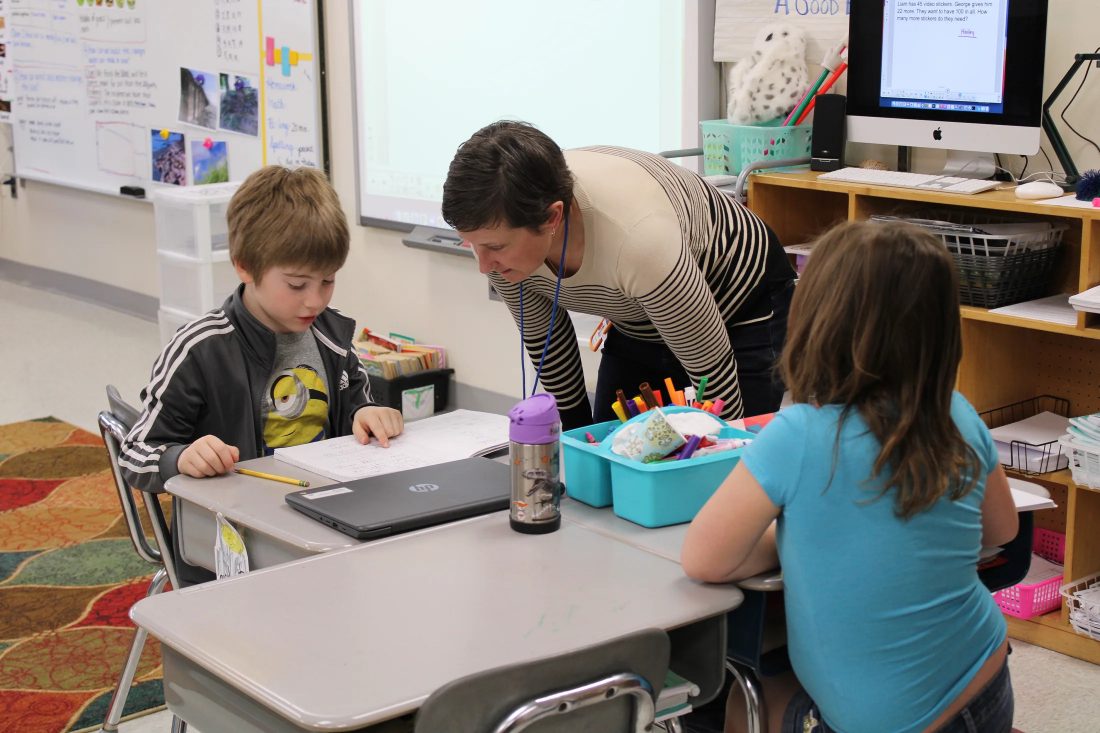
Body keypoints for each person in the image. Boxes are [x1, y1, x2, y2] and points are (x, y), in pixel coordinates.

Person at [681, 220, 1019, 733]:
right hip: (987, 682)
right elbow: (1002, 534)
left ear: (816, 321)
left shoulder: (798, 433)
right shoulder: (957, 413)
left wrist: (791, 535)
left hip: (898, 721)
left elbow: (704, 559)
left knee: (739, 701)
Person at [120, 165, 403, 585]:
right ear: (245, 267)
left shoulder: (333, 334)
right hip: (232, 545)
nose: (315, 300)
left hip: (323, 525)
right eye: (296, 284)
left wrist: (369, 415)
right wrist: (179, 457)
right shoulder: (201, 348)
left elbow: (357, 405)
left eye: (327, 281)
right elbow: (134, 452)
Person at [442, 121, 796, 430]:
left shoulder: (639, 239)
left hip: (740, 298)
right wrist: (577, 438)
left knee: (726, 458)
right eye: (471, 245)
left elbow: (713, 375)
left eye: (494, 248)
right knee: (613, 448)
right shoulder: (500, 241)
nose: (483, 266)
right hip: (641, 311)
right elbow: (547, 343)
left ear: (552, 218)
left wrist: (722, 456)